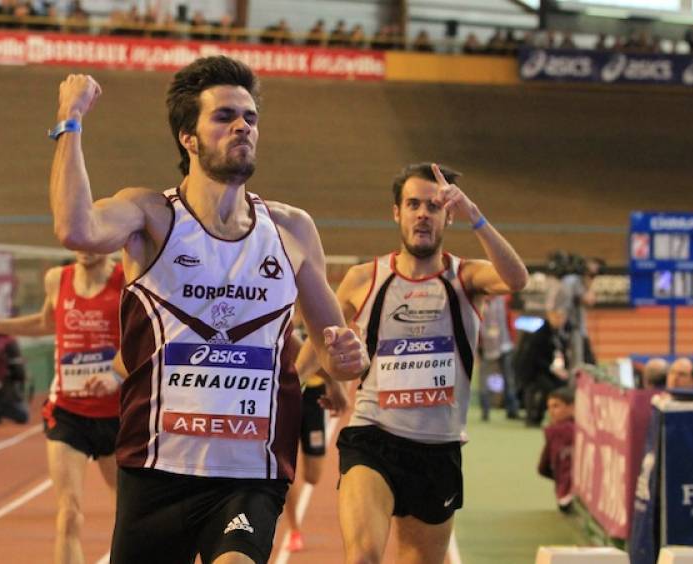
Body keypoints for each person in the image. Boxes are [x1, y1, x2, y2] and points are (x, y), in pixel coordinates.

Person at [47, 56, 368, 564]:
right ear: (188, 138)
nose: (243, 126)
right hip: (157, 468)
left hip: (249, 472)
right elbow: (76, 229)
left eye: (250, 117)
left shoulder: (292, 229)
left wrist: (349, 356)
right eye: (224, 116)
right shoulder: (151, 217)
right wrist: (71, 120)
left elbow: (338, 355)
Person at [328, 163, 528, 563]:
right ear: (396, 212)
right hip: (373, 435)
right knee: (362, 556)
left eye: (433, 206)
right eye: (413, 204)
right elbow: (323, 338)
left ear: (448, 216)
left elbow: (517, 280)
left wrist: (476, 216)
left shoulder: (467, 277)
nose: (422, 214)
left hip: (438, 448)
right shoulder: (363, 279)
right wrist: (325, 378)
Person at [0, 251, 123, 564]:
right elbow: (46, 322)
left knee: (127, 515)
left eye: (91, 236)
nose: (84, 246)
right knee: (69, 514)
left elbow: (146, 334)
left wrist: (117, 375)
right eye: (76, 238)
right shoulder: (58, 279)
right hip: (68, 411)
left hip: (117, 414)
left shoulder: (127, 278)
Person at [282, 330, 349, 553]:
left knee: (313, 475)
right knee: (286, 468)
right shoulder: (285, 316)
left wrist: (332, 381)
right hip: (287, 393)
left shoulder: (314, 317)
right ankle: (294, 529)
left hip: (314, 396)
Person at [518, 304, 569, 427]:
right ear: (550, 316)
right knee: (548, 387)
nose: (560, 320)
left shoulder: (559, 334)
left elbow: (560, 354)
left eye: (562, 317)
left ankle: (560, 417)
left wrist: (562, 370)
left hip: (547, 370)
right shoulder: (540, 335)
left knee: (562, 386)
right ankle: (535, 417)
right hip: (533, 371)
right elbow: (535, 359)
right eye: (557, 317)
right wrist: (554, 370)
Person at [477, 294, 519, 421]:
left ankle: (512, 410)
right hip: (485, 347)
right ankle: (485, 410)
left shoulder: (505, 299)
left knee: (509, 379)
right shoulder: (479, 300)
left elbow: (510, 318)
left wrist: (513, 338)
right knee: (484, 380)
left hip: (505, 345)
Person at [537, 387, 575, 512]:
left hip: (565, 497)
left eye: (556, 406)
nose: (551, 411)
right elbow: (543, 468)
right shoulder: (554, 431)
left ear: (572, 407)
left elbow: (542, 469)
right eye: (549, 407)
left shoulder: (554, 431)